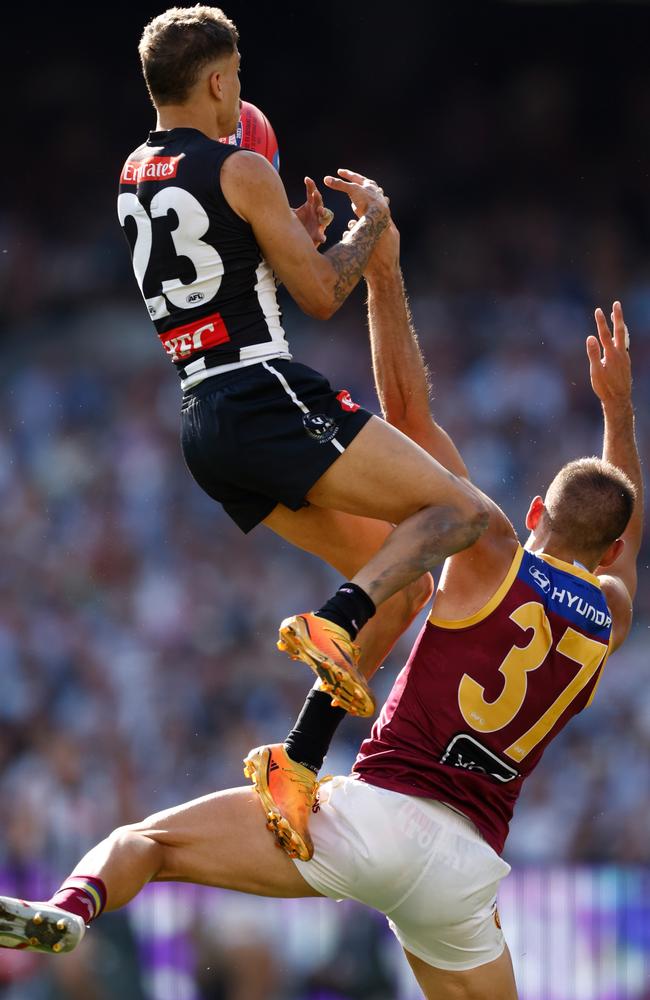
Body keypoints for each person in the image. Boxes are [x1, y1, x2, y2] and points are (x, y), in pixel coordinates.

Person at [0, 225, 641, 1000]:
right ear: (606, 555)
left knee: (146, 842)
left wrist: (384, 272)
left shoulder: (492, 548)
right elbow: (626, 532)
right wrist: (621, 414)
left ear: (537, 506)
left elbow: (407, 415)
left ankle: (68, 910)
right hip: (468, 868)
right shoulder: (611, 613)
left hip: (376, 817)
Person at [117, 5, 488, 723]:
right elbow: (320, 296)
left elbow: (215, 272)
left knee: (402, 579)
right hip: (259, 388)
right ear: (220, 82)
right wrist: (371, 225)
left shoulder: (132, 173)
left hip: (202, 421)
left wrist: (287, 237)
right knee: (457, 510)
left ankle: (299, 756)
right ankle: (335, 619)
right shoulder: (242, 166)